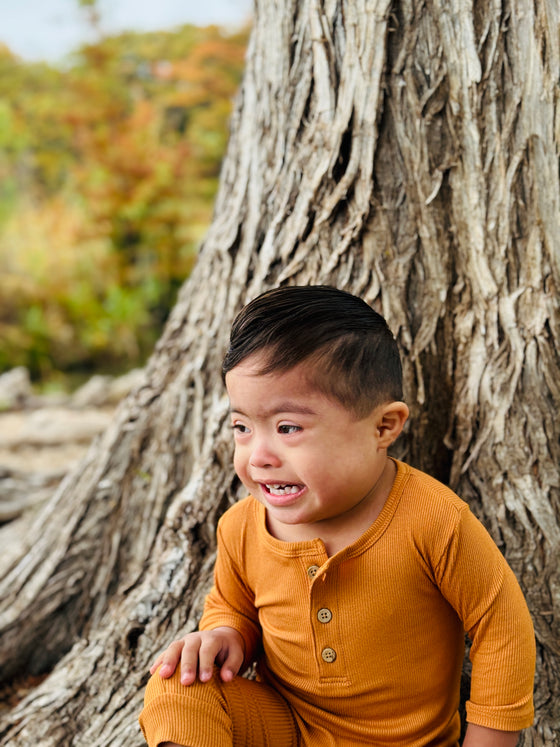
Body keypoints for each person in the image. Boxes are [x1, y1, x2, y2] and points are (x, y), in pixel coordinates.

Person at [139, 285, 535, 747]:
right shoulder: (241, 527)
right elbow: (233, 604)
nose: (259, 455)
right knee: (177, 683)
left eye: (288, 428)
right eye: (242, 428)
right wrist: (225, 635)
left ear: (383, 427)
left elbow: (502, 627)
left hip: (405, 742)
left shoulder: (433, 520)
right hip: (285, 726)